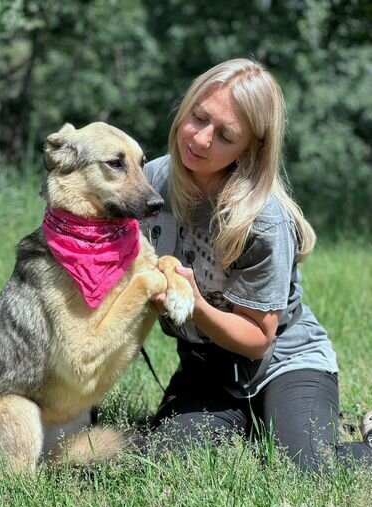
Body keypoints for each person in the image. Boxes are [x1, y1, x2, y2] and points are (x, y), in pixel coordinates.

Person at [142, 58, 372, 473]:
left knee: (308, 469)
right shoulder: (147, 183)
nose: (201, 138)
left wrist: (194, 304)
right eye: (198, 117)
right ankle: (262, 424)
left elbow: (258, 338)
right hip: (205, 369)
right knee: (165, 461)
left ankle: (315, 426)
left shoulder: (263, 219)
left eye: (226, 135)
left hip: (283, 360)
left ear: (250, 148)